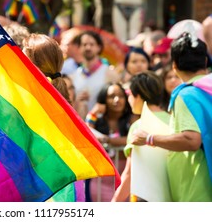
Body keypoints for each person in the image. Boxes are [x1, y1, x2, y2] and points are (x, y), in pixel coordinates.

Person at [131, 32, 212, 201]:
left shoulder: (188, 95)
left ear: (174, 65)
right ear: (205, 61)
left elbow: (191, 140)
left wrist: (150, 138)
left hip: (197, 191)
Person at [111, 71, 171, 202]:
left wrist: (114, 203)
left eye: (128, 94)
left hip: (145, 197)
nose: (128, 100)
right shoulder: (173, 120)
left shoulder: (138, 127)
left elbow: (129, 173)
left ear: (137, 96)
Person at [85, 82, 132, 201]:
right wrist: (93, 113)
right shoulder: (99, 121)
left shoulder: (131, 118)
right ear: (104, 100)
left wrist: (108, 140)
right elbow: (86, 131)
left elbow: (132, 138)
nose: (117, 100)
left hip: (125, 183)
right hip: (100, 183)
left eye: (121, 96)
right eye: (111, 96)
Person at [69, 30, 120, 120]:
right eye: (84, 44)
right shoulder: (73, 77)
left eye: (92, 44)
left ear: (99, 47)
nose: (88, 48)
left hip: (102, 126)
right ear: (79, 48)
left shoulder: (110, 74)